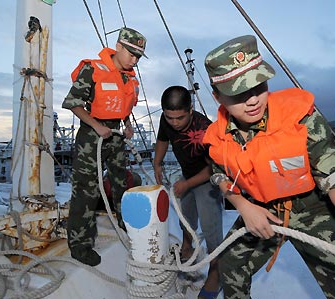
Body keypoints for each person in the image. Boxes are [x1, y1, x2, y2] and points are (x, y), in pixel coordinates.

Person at [202, 35, 335, 299]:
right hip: (263, 210)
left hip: (315, 207)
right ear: (217, 96)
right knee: (230, 264)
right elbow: (218, 173)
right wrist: (243, 206)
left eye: (258, 86)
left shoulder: (300, 118)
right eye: (238, 93)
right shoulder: (215, 136)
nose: (252, 100)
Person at [62, 27, 147, 266]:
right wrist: (96, 126)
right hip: (92, 135)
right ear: (119, 47)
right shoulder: (93, 69)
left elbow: (125, 105)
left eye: (138, 56)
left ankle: (124, 222)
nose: (135, 59)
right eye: (131, 53)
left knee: (122, 181)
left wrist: (128, 124)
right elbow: (73, 104)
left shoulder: (129, 77)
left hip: (117, 134)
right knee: (86, 190)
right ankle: (80, 245)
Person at [153, 85, 223, 299]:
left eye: (180, 118)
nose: (174, 123)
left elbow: (213, 168)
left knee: (210, 227)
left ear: (190, 110)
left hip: (207, 179)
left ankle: (216, 271)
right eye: (170, 117)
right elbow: (163, 139)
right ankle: (187, 245)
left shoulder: (205, 129)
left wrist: (187, 183)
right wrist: (157, 163)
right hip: (187, 176)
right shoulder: (167, 120)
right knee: (186, 215)